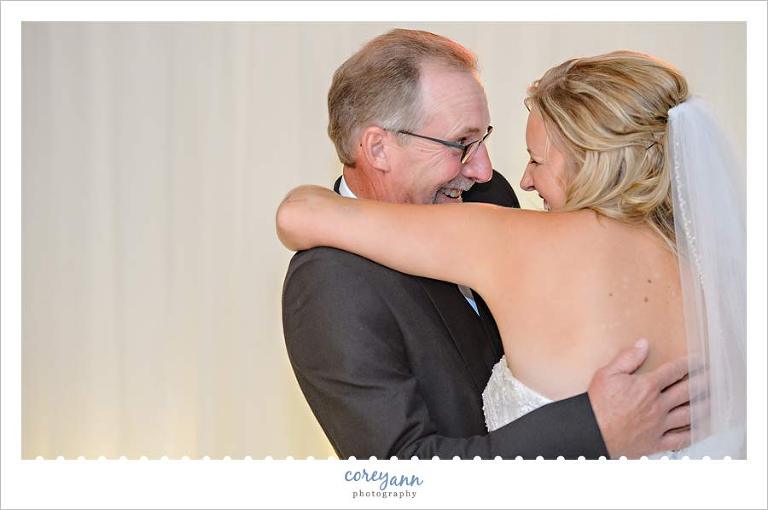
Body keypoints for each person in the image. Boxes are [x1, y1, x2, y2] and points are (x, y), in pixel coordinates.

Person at [280, 30, 697, 459]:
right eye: (461, 144)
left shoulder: (486, 199)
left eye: (483, 139)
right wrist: (593, 431)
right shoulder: (330, 282)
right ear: (379, 148)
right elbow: (400, 472)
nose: (484, 170)